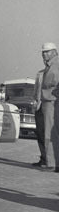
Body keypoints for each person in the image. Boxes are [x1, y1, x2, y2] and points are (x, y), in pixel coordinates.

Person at [37, 42, 59, 172]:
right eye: (43, 52)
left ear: (54, 52)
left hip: (52, 102)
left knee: (50, 133)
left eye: (46, 52)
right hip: (50, 101)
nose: (43, 54)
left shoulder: (55, 66)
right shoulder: (51, 66)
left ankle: (53, 163)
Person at [32, 66, 47, 167]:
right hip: (40, 107)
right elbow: (36, 89)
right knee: (40, 133)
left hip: (52, 108)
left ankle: (52, 160)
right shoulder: (40, 73)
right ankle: (44, 159)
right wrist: (35, 102)